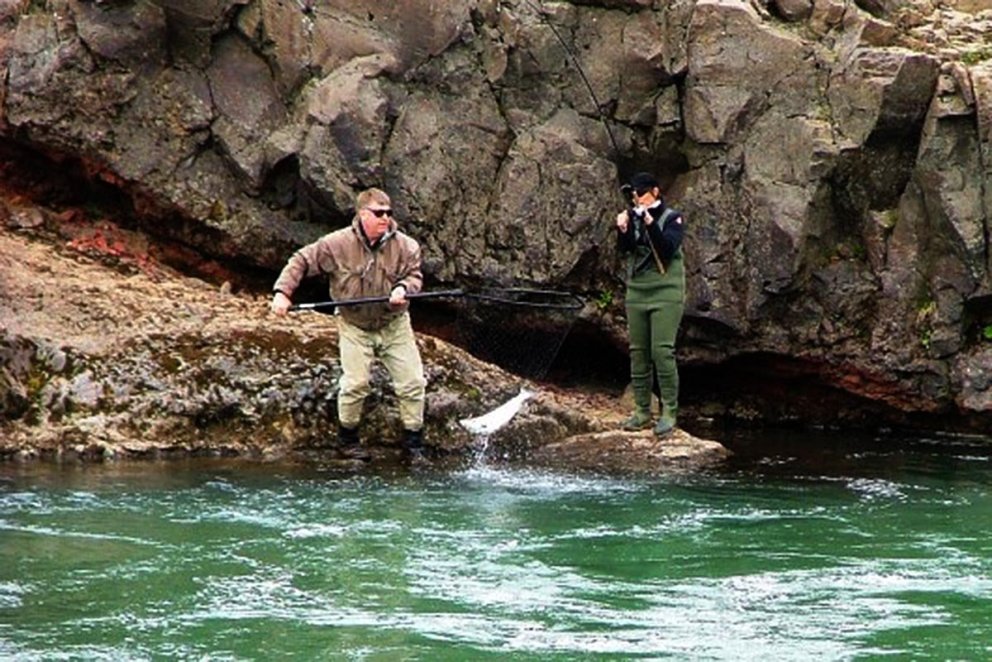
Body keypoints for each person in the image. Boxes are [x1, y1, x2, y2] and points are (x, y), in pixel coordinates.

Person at [270, 187, 427, 458]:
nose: (385, 219)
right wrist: (283, 293)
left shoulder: (406, 246)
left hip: (394, 323)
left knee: (412, 383)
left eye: (389, 213)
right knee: (355, 383)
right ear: (363, 214)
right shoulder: (337, 244)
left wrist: (404, 289)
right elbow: (301, 261)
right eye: (379, 213)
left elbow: (415, 276)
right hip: (353, 324)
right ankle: (348, 440)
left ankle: (414, 444)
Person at [615, 171, 686, 437]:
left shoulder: (672, 218)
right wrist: (624, 229)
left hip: (666, 292)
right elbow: (627, 250)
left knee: (662, 351)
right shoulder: (633, 216)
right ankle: (642, 411)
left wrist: (648, 222)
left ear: (655, 192)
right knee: (638, 351)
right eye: (635, 195)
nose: (639, 200)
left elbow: (667, 248)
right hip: (637, 291)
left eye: (643, 194)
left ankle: (669, 411)